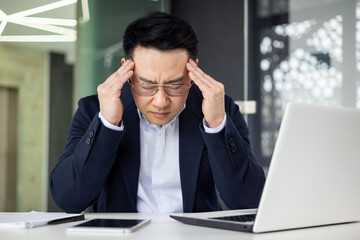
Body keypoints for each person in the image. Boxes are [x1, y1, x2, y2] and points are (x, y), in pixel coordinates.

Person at [49, 12, 265, 213]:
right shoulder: (94, 110)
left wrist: (217, 125)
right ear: (128, 71)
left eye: (175, 85)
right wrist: (108, 124)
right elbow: (68, 199)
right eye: (147, 85)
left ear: (193, 72)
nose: (161, 101)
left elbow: (249, 202)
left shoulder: (219, 108)